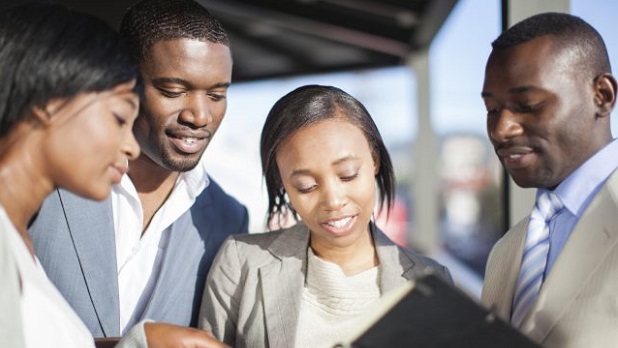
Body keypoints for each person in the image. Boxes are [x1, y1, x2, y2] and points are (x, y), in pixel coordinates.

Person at [0, 3, 227, 348]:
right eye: (119, 117)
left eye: (217, 95)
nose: (199, 115)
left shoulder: (229, 217)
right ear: (50, 103)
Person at [199, 85, 452, 348]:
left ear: (374, 160)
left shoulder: (432, 281)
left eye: (348, 174)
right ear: (283, 183)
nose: (333, 201)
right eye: (306, 186)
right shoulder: (240, 264)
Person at [480, 12, 618, 347]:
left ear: (602, 95)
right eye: (493, 110)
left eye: (526, 105)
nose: (501, 130)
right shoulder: (506, 250)